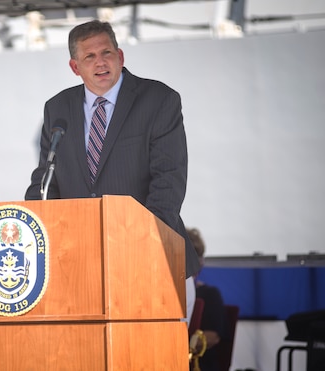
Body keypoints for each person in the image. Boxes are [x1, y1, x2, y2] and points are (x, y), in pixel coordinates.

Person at [24, 20, 201, 323]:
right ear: (74, 66)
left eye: (106, 52)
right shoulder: (57, 108)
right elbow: (46, 179)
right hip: (81, 268)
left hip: (151, 259)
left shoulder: (159, 100)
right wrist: (37, 230)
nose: (100, 62)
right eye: (89, 57)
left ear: (120, 56)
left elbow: (169, 181)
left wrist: (135, 244)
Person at [187, 227, 225, 371]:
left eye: (198, 256)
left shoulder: (211, 294)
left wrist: (183, 345)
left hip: (200, 363)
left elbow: (213, 337)